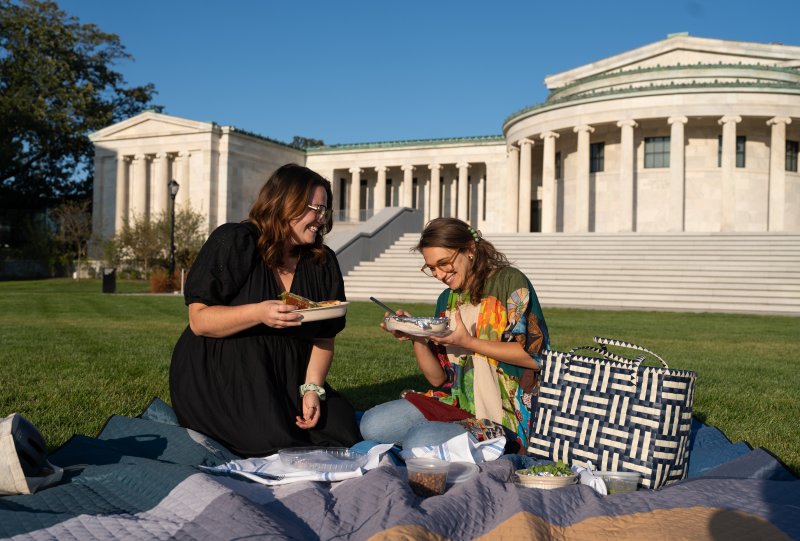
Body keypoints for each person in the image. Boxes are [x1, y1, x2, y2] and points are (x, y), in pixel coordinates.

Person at [170, 163, 361, 457]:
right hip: (224, 370)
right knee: (271, 441)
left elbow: (324, 337)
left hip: (288, 372)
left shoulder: (322, 262)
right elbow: (199, 321)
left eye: (326, 211)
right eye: (315, 209)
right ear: (286, 203)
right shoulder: (235, 240)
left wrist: (312, 388)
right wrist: (258, 313)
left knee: (340, 429)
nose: (321, 220)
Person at [359, 217, 550, 453]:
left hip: (507, 418)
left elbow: (534, 358)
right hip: (460, 407)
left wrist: (468, 342)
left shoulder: (509, 281)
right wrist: (417, 335)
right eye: (432, 268)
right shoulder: (446, 300)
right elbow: (439, 380)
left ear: (469, 249)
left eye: (444, 263)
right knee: (372, 424)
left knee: (419, 441)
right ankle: (452, 444)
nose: (439, 274)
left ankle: (490, 448)